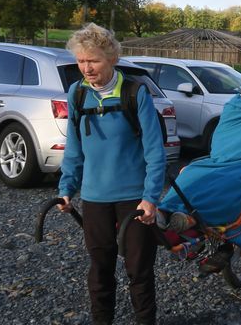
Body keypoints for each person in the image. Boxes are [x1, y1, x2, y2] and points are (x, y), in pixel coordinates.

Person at [57, 23, 166, 325]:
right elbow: (74, 148)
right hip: (95, 197)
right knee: (100, 270)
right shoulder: (77, 94)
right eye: (81, 61)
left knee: (139, 271)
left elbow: (154, 151)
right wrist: (67, 187)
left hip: (134, 198)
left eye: (93, 60)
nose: (86, 68)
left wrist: (151, 198)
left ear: (112, 58)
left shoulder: (135, 92)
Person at [157, 61, 241, 272]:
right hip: (223, 158)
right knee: (191, 171)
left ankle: (191, 219)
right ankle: (165, 212)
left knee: (228, 180)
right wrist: (227, 154)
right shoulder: (234, 105)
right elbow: (221, 138)